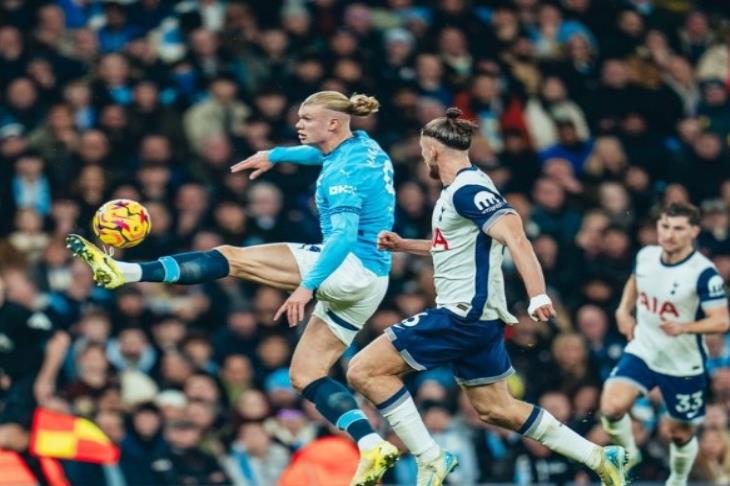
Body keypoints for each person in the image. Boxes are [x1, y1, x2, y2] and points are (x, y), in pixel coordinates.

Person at [66, 91, 399, 485]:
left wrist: (306, 288)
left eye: (307, 118)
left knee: (231, 257)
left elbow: (342, 237)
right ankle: (372, 443)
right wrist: (274, 155)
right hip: (373, 281)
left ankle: (125, 272)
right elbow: (319, 155)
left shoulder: (345, 174)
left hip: (346, 264)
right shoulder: (363, 147)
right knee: (306, 374)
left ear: (332, 123)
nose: (299, 124)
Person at [346, 108, 628, 486]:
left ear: (431, 152)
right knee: (497, 410)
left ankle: (430, 458)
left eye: (421, 152)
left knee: (363, 370)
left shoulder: (469, 191)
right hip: (478, 321)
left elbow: (516, 237)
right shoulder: (462, 189)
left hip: (462, 315)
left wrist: (538, 294)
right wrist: (405, 245)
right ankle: (597, 456)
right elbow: (454, 246)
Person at [600, 202, 730, 486]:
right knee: (611, 407)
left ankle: (679, 478)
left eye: (678, 228)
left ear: (694, 232)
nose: (669, 234)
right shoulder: (646, 255)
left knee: (680, 433)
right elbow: (635, 281)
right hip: (644, 348)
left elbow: (721, 321)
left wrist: (686, 327)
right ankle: (628, 456)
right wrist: (623, 310)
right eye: (665, 226)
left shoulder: (704, 274)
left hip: (682, 361)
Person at [0, 272, 70, 482]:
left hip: (27, 385)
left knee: (10, 437)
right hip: (8, 388)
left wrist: (45, 380)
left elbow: (59, 339)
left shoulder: (17, 314)